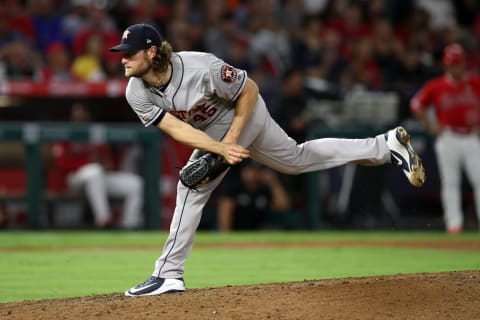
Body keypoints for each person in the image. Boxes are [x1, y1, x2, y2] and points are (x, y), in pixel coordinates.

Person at [108, 23, 425, 296]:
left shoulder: (200, 67)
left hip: (244, 113)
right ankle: (385, 146)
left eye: (129, 52)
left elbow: (249, 90)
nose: (122, 58)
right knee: (296, 159)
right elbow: (176, 128)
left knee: (190, 187)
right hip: (215, 130)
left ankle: (167, 274)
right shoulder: (136, 90)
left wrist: (230, 140)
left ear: (151, 53)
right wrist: (220, 150)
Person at [410, 43, 480, 235]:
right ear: (446, 65)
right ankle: (454, 225)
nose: (455, 67)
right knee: (451, 182)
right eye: (452, 63)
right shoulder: (436, 86)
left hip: (471, 137)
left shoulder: (475, 83)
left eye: (458, 63)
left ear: (464, 63)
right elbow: (416, 105)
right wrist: (430, 126)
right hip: (448, 136)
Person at [50, 103, 144, 229]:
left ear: (88, 115)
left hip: (99, 177)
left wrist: (104, 163)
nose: (78, 117)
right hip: (75, 179)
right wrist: (88, 161)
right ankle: (104, 220)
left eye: (81, 114)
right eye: (76, 115)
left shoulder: (96, 133)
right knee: (93, 171)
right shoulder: (65, 133)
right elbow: (62, 164)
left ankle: (129, 225)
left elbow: (107, 163)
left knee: (135, 184)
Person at [216, 160, 291, 232]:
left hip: (257, 233)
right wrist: (227, 239)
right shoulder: (235, 187)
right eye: (251, 169)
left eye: (258, 170)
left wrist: (273, 183)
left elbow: (283, 206)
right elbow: (224, 217)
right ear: (244, 171)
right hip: (234, 232)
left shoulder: (264, 189)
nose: (254, 173)